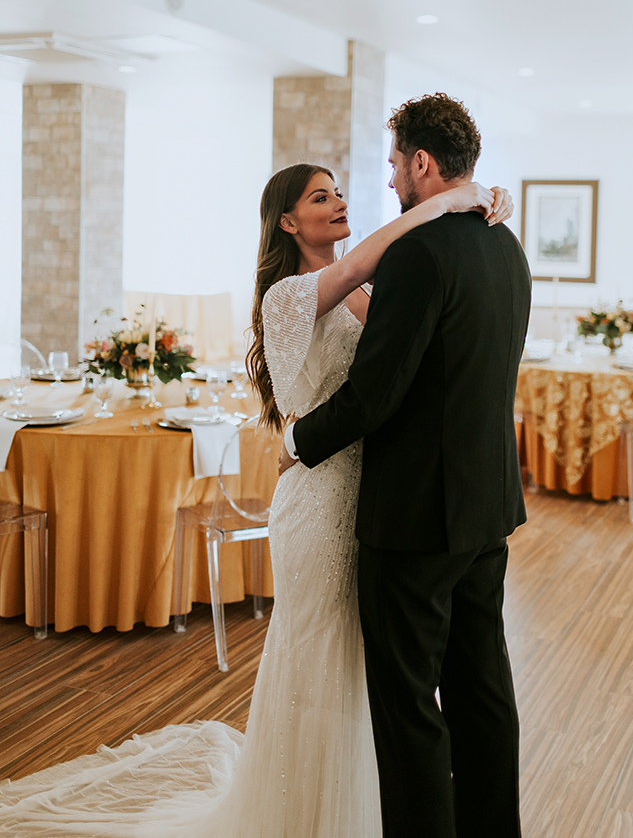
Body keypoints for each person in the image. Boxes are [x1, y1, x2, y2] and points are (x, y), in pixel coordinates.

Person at [0, 154, 512, 838]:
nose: (337, 203)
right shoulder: (293, 296)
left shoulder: (363, 289)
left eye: (338, 192)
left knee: (363, 668)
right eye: (319, 197)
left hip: (372, 496)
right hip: (319, 503)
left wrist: (478, 202)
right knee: (320, 659)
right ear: (288, 221)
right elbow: (362, 266)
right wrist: (451, 200)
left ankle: (361, 807)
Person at [280, 93, 532, 838]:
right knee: (483, 689)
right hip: (486, 508)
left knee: (409, 707)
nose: (391, 181)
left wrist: (296, 444)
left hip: (416, 518)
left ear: (422, 162)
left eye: (394, 164)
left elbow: (375, 393)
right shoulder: (504, 245)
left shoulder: (420, 252)